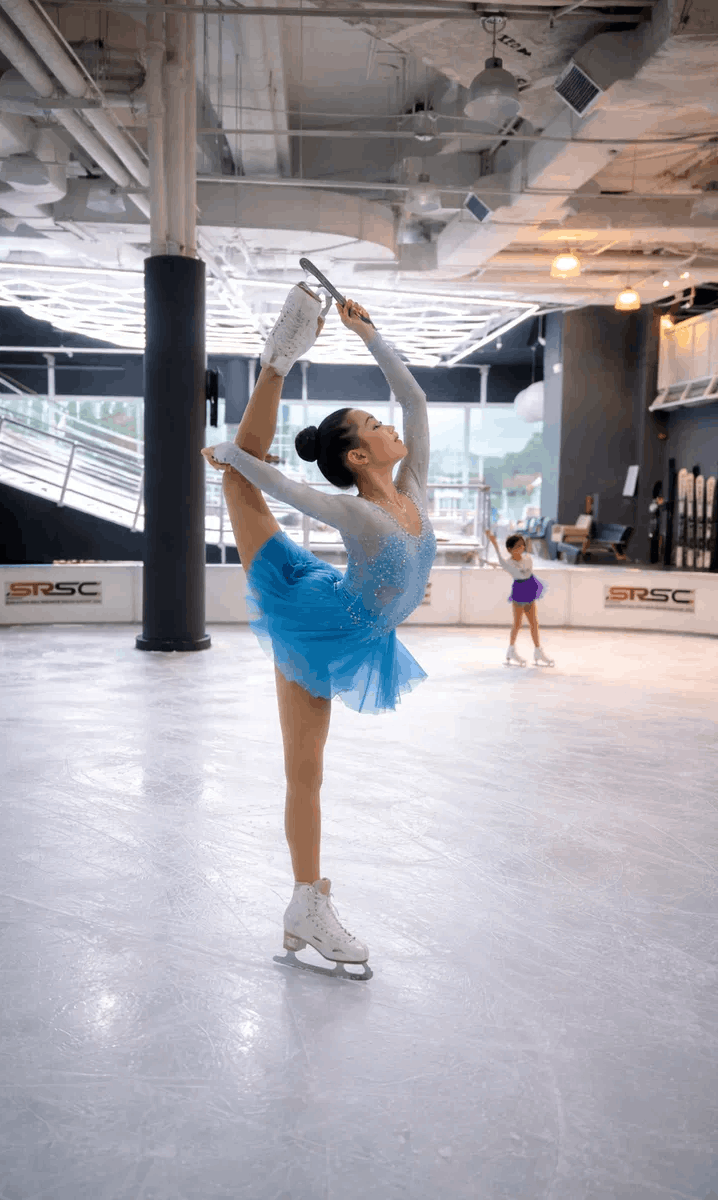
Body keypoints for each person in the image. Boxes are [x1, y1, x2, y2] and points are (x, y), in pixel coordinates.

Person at [202, 286, 436, 979]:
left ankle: (278, 360)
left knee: (242, 487)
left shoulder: (412, 488)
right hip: (317, 626)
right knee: (305, 770)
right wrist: (233, 456)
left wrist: (369, 334)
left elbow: (417, 403)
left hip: (342, 612)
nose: (389, 426)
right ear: (359, 458)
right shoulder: (361, 514)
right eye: (373, 424)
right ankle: (306, 901)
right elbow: (293, 493)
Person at [484, 528, 554, 667]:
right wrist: (493, 541)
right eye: (517, 546)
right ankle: (511, 650)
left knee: (534, 622)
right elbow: (499, 557)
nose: (521, 548)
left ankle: (538, 651)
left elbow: (525, 570)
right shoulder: (507, 563)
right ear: (510, 549)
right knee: (518, 623)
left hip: (530, 587)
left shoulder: (528, 558)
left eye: (522, 545)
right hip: (519, 590)